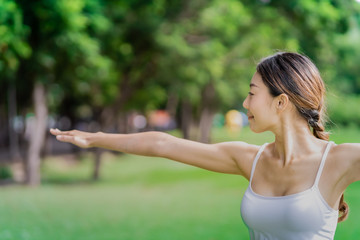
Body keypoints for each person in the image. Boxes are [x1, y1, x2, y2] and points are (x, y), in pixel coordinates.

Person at [50, 52, 360, 240]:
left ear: (281, 102)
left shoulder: (338, 160)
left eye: (252, 93)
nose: (244, 102)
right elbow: (162, 143)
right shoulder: (248, 159)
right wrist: (94, 138)